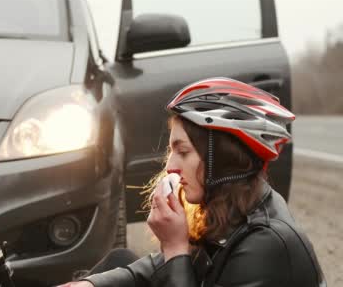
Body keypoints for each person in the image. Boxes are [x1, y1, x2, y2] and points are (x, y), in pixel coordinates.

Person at [59, 77, 326, 287]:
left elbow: (178, 262)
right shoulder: (234, 207)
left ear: (222, 157)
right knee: (119, 262)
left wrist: (175, 247)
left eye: (183, 151)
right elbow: (163, 266)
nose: (171, 167)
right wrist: (91, 283)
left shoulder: (266, 244)